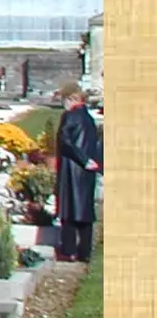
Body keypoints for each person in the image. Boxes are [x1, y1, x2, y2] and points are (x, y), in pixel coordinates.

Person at [54, 85, 103, 262]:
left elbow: (65, 141)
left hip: (71, 169)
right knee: (85, 212)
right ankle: (85, 251)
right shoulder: (88, 118)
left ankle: (69, 250)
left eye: (65, 100)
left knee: (68, 212)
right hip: (86, 172)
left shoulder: (70, 116)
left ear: (72, 99)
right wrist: (93, 162)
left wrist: (83, 159)